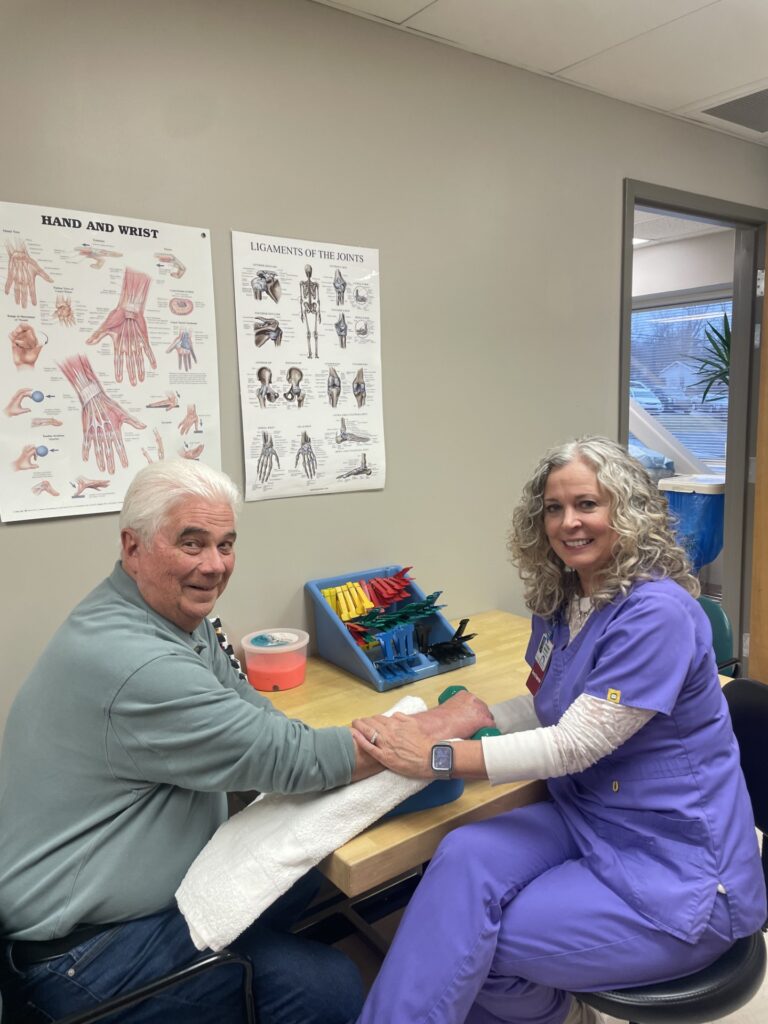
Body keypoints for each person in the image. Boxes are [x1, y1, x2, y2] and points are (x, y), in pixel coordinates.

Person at [0, 459, 492, 1024]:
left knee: (315, 863)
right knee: (328, 986)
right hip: (82, 956)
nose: (214, 566)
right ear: (132, 548)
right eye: (192, 543)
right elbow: (288, 756)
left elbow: (255, 717)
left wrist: (358, 746)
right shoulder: (136, 661)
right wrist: (433, 724)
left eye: (225, 544)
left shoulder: (179, 618)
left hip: (136, 896)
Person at [351, 436, 766, 1024]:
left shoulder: (658, 614)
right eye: (554, 508)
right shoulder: (565, 599)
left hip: (678, 868)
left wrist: (437, 756)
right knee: (464, 854)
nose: (568, 522)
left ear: (628, 512)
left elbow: (574, 745)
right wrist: (471, 716)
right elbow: (555, 708)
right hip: (591, 816)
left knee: (474, 944)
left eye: (587, 505)